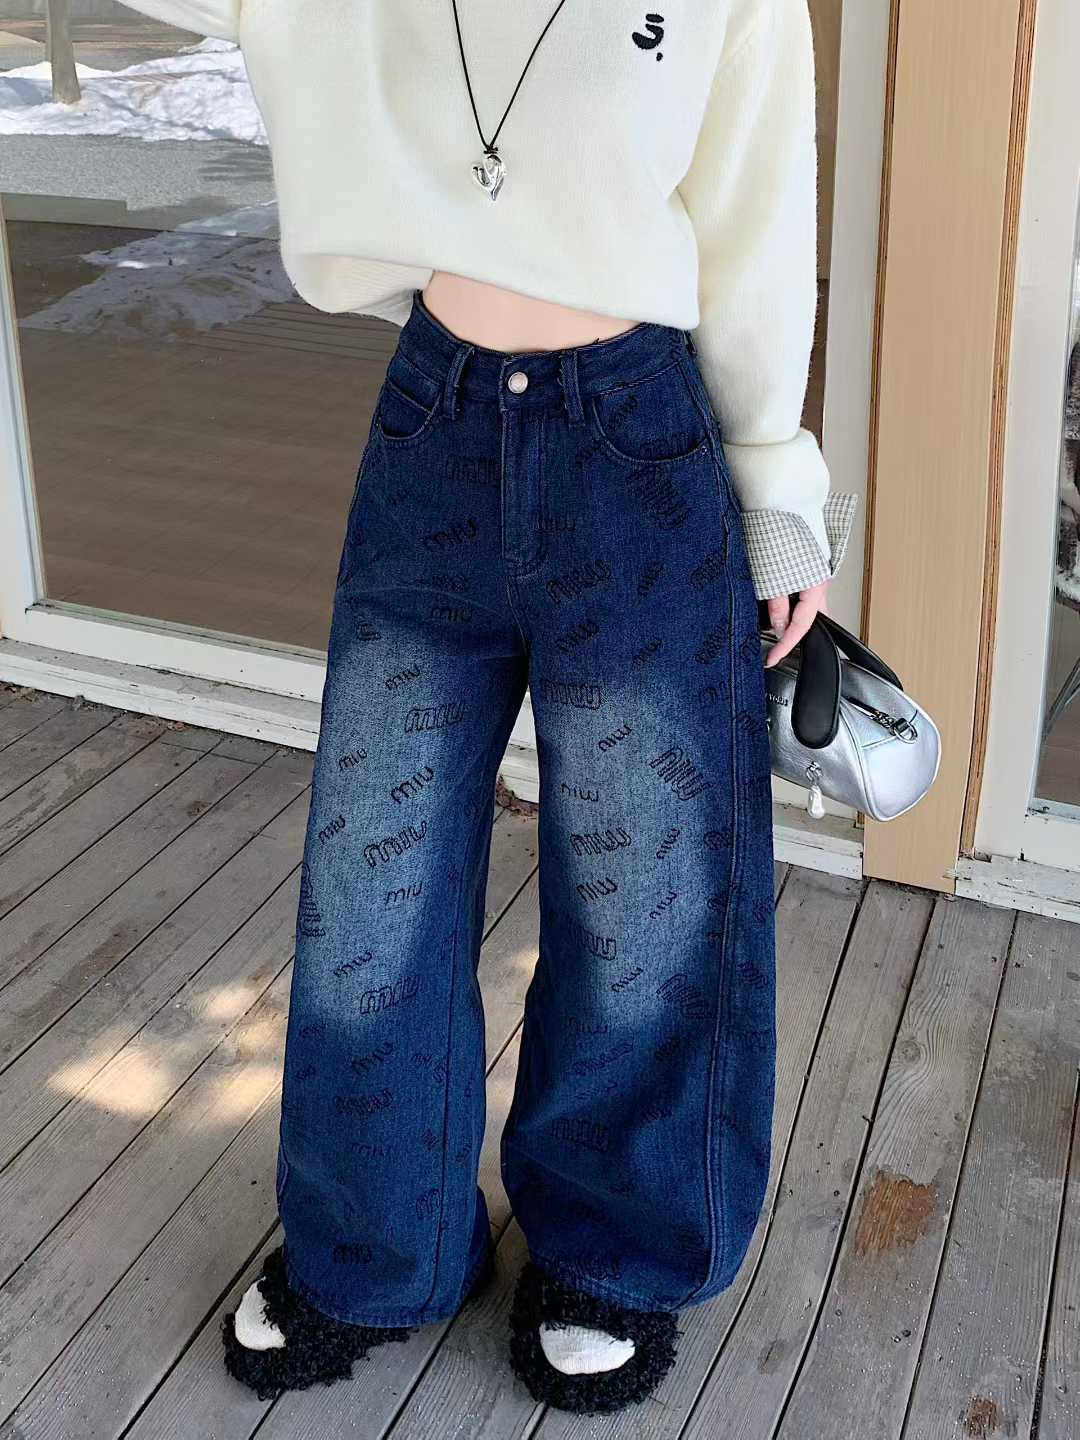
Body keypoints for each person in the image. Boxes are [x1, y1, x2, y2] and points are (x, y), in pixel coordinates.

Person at [127, 0, 856, 1415]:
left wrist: (774, 475)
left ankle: (613, 1253)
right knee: (371, 880)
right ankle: (373, 1250)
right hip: (437, 422)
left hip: (636, 439)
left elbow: (758, 207)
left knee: (648, 895)